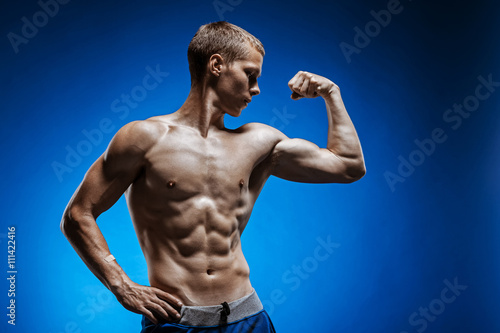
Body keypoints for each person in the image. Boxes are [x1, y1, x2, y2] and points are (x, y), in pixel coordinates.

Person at [60, 21, 365, 332]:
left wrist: (332, 93)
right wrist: (121, 285)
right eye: (251, 74)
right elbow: (77, 214)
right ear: (217, 65)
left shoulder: (259, 142)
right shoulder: (144, 138)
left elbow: (348, 165)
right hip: (176, 322)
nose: (256, 88)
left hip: (249, 319)